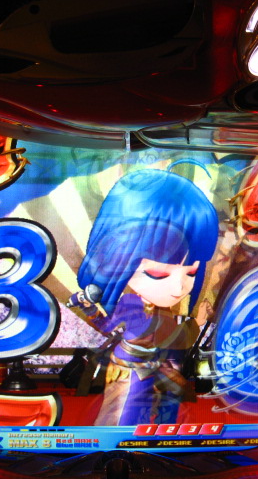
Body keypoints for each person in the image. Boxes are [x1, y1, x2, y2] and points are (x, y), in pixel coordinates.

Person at [73, 164, 219, 426]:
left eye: (191, 273)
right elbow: (109, 325)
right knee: (123, 418)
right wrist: (88, 307)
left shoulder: (161, 312)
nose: (178, 288)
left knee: (169, 409)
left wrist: (196, 321)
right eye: (158, 274)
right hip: (131, 369)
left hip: (155, 367)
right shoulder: (130, 304)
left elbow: (173, 336)